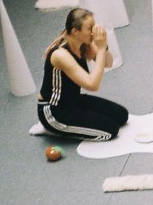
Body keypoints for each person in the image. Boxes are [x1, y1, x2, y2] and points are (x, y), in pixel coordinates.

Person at [37, 7, 128, 140]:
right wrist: (101, 48)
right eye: (90, 28)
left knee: (122, 115)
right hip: (55, 111)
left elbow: (108, 63)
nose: (93, 32)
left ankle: (70, 125)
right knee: (111, 130)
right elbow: (92, 85)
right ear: (75, 31)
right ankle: (54, 128)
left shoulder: (83, 42)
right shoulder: (60, 55)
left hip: (74, 100)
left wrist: (104, 45)